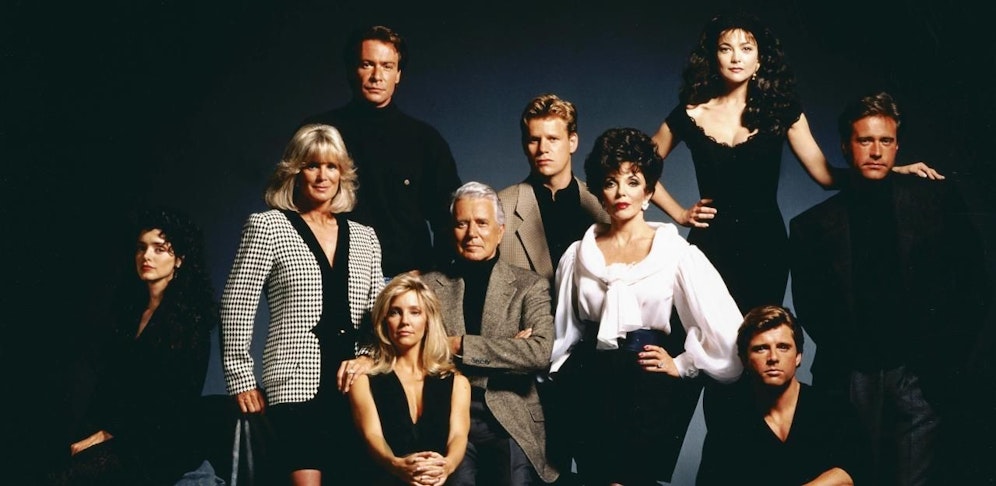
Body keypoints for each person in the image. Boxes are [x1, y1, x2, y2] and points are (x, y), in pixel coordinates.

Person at [649, 12, 942, 314]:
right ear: (714, 56)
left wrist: (891, 171)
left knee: (759, 333)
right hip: (709, 243)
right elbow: (637, 166)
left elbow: (826, 177)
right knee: (700, 331)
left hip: (766, 245)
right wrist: (680, 213)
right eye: (726, 48)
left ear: (759, 60)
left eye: (746, 48)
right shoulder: (690, 114)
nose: (736, 57)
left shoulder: (783, 111)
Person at [789, 91, 990, 485]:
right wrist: (851, 363)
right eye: (865, 140)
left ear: (897, 146)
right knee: (856, 475)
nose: (876, 151)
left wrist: (945, 359)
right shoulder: (811, 226)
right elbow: (811, 308)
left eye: (886, 140)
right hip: (852, 375)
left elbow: (973, 284)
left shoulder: (935, 200)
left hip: (921, 374)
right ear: (845, 147)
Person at [551, 127, 743, 485]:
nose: (621, 192)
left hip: (648, 388)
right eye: (611, 182)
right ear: (600, 192)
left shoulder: (675, 253)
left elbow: (727, 330)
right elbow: (564, 332)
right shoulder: (578, 254)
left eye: (633, 181)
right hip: (589, 386)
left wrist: (683, 364)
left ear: (649, 192)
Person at [221, 124, 385, 485]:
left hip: (355, 386)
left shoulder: (365, 238)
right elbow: (237, 303)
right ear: (295, 171)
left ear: (343, 174)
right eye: (312, 165)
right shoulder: (269, 227)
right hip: (295, 382)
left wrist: (368, 359)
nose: (322, 176)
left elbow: (379, 314)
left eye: (331, 166)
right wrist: (240, 378)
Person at [46, 207, 218, 485]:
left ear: (179, 260)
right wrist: (90, 432)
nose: (146, 256)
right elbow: (110, 386)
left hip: (161, 442)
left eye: (159, 249)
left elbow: (172, 404)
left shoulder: (189, 323)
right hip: (124, 435)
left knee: (69, 476)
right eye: (141, 247)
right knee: (54, 460)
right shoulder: (130, 313)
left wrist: (108, 433)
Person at [424, 181, 558, 485]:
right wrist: (508, 349)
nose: (472, 233)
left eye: (482, 223)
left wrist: (458, 345)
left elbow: (538, 353)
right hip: (447, 416)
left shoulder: (529, 286)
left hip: (509, 415)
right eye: (462, 224)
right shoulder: (429, 286)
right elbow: (420, 353)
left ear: (500, 230)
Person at [302, 25, 462, 277]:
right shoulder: (319, 133)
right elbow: (293, 208)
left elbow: (450, 219)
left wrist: (433, 276)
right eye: (367, 64)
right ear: (351, 70)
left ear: (398, 74)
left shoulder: (425, 140)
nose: (377, 76)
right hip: (335, 279)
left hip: (406, 282)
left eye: (387, 66)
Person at [697, 305, 868, 486]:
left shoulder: (833, 410)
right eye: (761, 348)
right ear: (744, 359)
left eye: (783, 347)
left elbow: (855, 472)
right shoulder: (728, 427)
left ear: (798, 356)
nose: (773, 357)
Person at [349, 273, 471, 486]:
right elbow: (372, 436)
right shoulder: (363, 380)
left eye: (415, 312)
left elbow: (458, 436)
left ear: (428, 320)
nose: (405, 321)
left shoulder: (457, 383)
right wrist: (396, 465)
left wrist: (447, 466)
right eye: (395, 312)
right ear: (384, 321)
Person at [498, 93, 609, 281]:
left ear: (572, 142)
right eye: (534, 140)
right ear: (525, 146)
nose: (543, 149)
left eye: (553, 139)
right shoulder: (501, 206)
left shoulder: (603, 204)